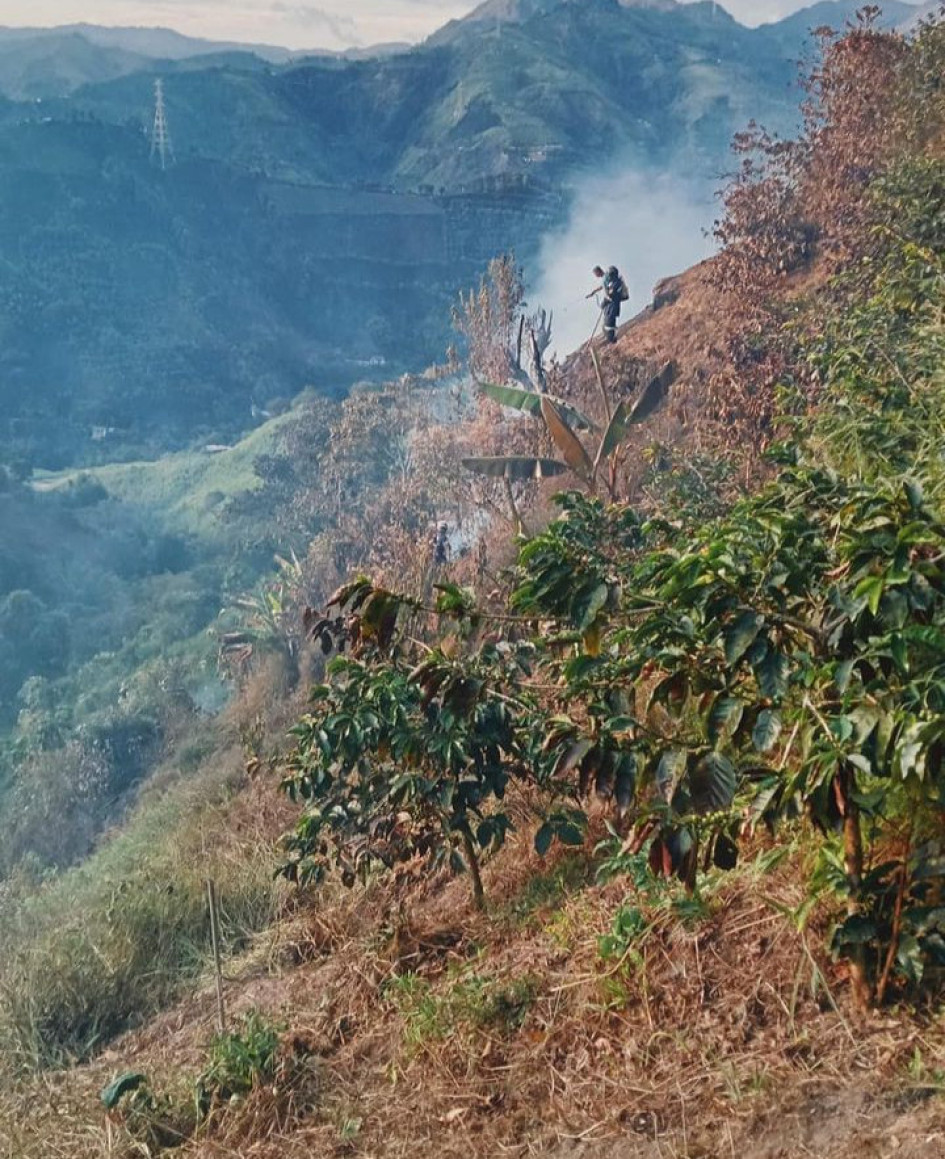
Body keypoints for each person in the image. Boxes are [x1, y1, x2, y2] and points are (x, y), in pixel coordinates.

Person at [588, 264, 629, 344]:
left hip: (612, 301)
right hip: (610, 301)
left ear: (598, 271)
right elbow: (602, 287)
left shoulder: (608, 276)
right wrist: (593, 292)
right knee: (607, 320)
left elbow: (612, 290)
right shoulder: (604, 278)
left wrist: (606, 299)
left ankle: (613, 338)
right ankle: (612, 337)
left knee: (609, 319)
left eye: (595, 274)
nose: (596, 276)